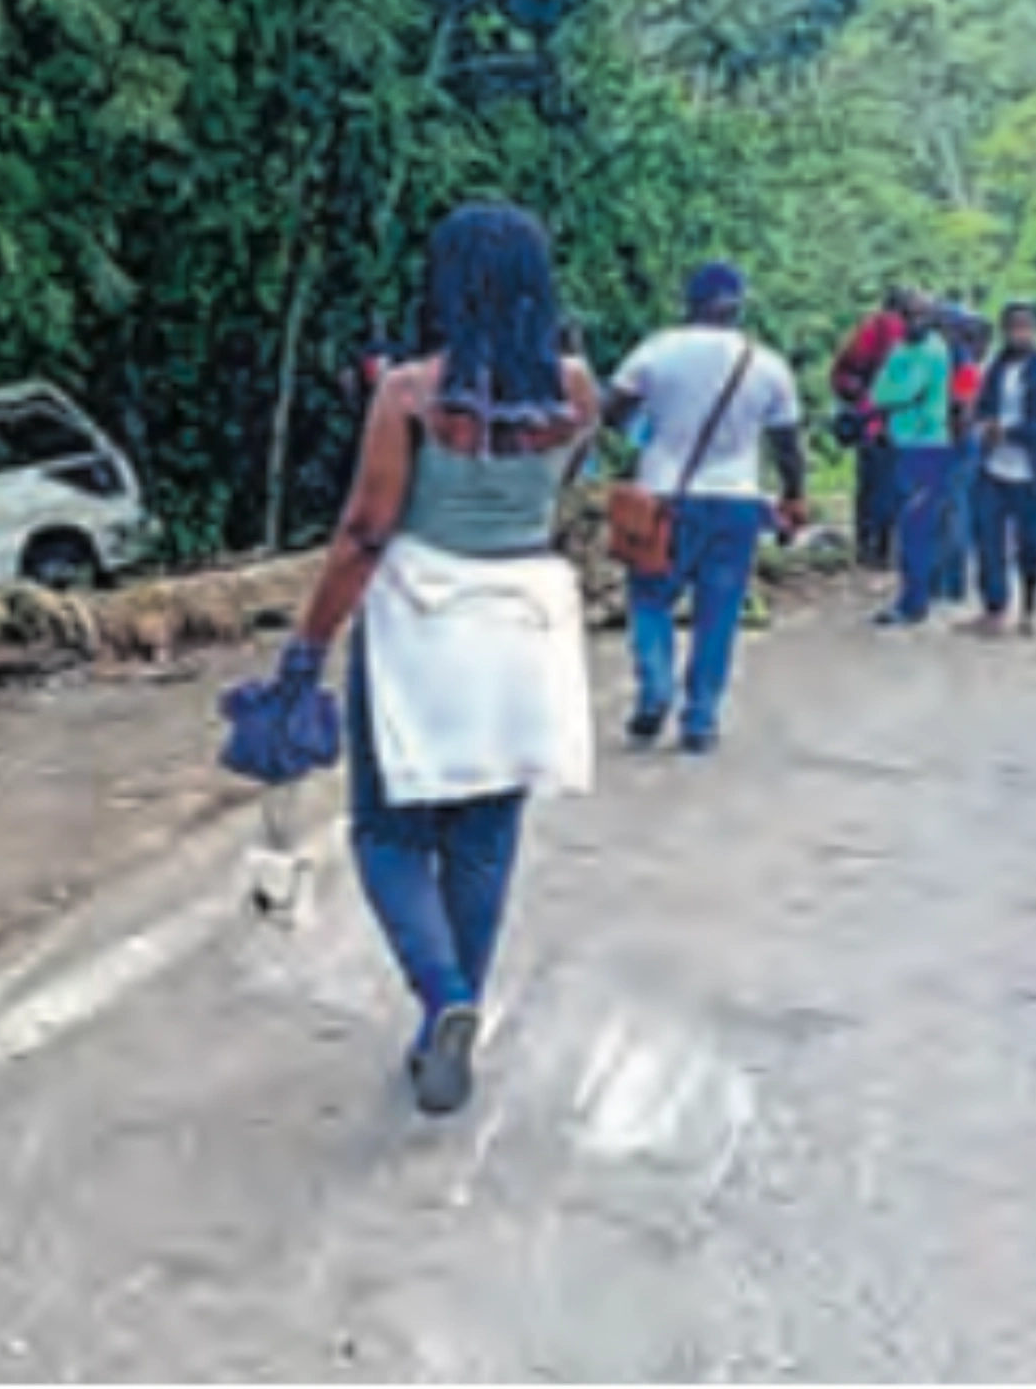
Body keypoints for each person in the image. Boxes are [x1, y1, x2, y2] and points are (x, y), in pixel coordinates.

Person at [236, 202, 600, 1116]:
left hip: (421, 620)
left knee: (391, 831)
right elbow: (552, 492)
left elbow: (366, 531)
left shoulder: (407, 394)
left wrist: (305, 649)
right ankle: (458, 1009)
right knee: (484, 839)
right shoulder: (577, 392)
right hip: (526, 619)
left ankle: (444, 999)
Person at [606, 261, 806, 754]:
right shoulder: (766, 363)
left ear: (689, 301)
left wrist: (645, 429)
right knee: (718, 613)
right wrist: (794, 495)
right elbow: (787, 443)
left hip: (664, 498)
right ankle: (700, 720)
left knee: (651, 599)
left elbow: (611, 412)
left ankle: (654, 692)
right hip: (737, 501)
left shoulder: (657, 352)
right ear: (739, 304)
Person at [966, 301, 1036, 637]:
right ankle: (995, 607)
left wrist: (1010, 432)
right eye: (1013, 327)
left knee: (1031, 544)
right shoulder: (996, 368)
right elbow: (982, 407)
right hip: (994, 466)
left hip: (1032, 471)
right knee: (989, 540)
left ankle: (1029, 607)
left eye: (1026, 327)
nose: (1019, 334)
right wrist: (982, 425)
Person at [868, 297, 954, 627]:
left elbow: (896, 392)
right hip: (901, 444)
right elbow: (880, 391)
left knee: (918, 526)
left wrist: (884, 395)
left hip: (927, 446)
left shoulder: (933, 350)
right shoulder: (901, 348)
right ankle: (911, 595)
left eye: (922, 315)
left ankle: (915, 601)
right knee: (907, 526)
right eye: (909, 315)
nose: (915, 321)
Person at [830, 288, 913, 570]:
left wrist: (858, 397)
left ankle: (868, 545)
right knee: (894, 484)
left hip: (870, 416)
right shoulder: (897, 330)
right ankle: (885, 548)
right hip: (897, 420)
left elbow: (843, 370)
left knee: (871, 483)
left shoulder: (868, 329)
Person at [935, 309, 988, 606]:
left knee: (955, 511)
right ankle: (946, 580)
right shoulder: (953, 359)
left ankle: (951, 582)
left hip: (955, 445)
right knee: (950, 512)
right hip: (951, 441)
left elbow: (964, 406)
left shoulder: (960, 361)